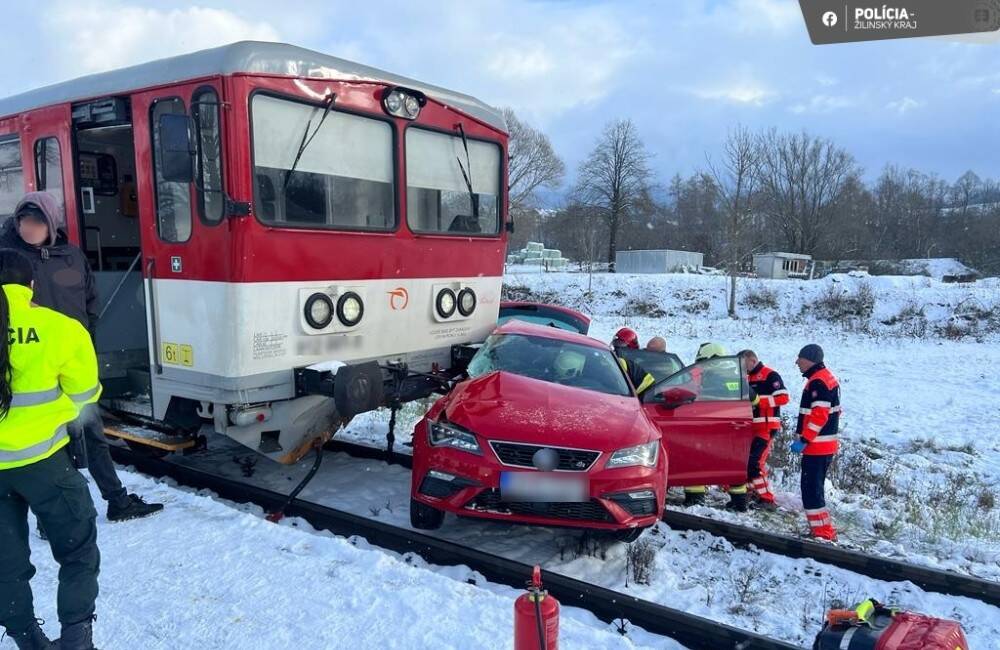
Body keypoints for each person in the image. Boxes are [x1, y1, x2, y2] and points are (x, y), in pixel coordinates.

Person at [1, 192, 162, 522]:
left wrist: (82, 338)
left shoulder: (71, 256)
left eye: (36, 222)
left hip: (71, 359)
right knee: (50, 444)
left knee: (92, 433)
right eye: (23, 221)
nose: (28, 228)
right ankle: (53, 516)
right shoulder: (8, 258)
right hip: (32, 362)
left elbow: (90, 299)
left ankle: (117, 501)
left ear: (51, 223)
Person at [0, 250, 101, 650]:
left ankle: (29, 642)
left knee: (5, 563)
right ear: (32, 285)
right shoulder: (61, 327)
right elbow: (85, 394)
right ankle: (76, 640)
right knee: (77, 551)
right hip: (45, 465)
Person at [790, 343, 841, 541]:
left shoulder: (818, 382)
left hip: (817, 446)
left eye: (799, 358)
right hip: (821, 445)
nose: (796, 362)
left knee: (812, 491)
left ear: (809, 359)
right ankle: (821, 531)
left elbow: (819, 416)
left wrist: (804, 439)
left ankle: (823, 533)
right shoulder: (822, 378)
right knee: (813, 489)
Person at [739, 350, 789, 510]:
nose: (741, 367)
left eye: (743, 363)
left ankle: (767, 499)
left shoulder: (770, 375)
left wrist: (759, 401)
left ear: (752, 360)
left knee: (755, 463)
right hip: (750, 427)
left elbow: (783, 398)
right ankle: (752, 492)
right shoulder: (745, 377)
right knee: (747, 462)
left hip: (766, 427)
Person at [610, 327, 655, 396]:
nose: (616, 347)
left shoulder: (638, 364)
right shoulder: (610, 358)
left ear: (629, 347)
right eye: (616, 343)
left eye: (620, 344)